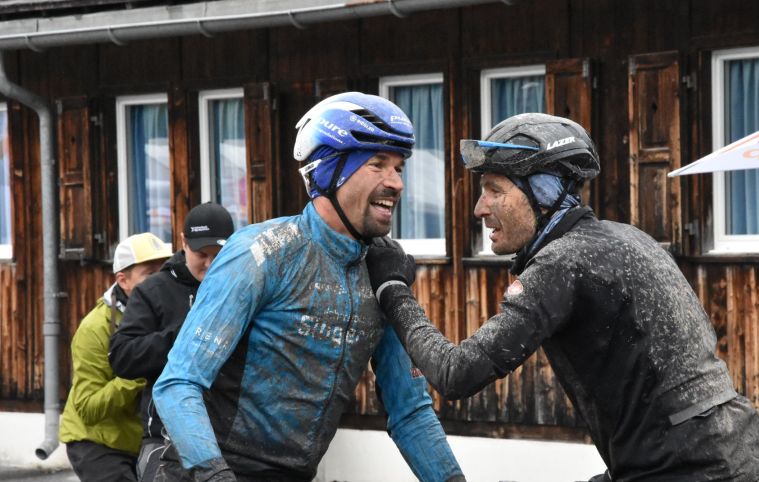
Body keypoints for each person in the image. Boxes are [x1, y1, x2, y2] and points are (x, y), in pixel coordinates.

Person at [365, 113, 759, 481]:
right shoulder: (631, 238)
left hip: (683, 468)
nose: (478, 208)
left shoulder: (562, 261)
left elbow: (456, 372)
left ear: (543, 192)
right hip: (723, 456)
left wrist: (393, 288)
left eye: (494, 190)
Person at [152, 92, 464, 482]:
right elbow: (178, 385)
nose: (396, 183)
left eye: (399, 168)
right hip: (204, 470)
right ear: (331, 171)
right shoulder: (261, 252)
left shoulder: (382, 271)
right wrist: (214, 476)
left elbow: (410, 410)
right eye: (377, 165)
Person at [109, 202, 235, 481]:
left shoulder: (240, 288)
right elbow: (121, 357)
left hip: (231, 439)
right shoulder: (153, 290)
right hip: (165, 439)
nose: (210, 264)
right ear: (183, 242)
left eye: (219, 254)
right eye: (201, 254)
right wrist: (183, 335)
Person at [59, 232, 172, 482]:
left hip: (142, 440)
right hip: (96, 441)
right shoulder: (95, 328)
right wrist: (137, 376)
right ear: (123, 280)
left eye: (163, 272)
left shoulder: (165, 311)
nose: (160, 282)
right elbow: (88, 408)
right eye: (150, 274)